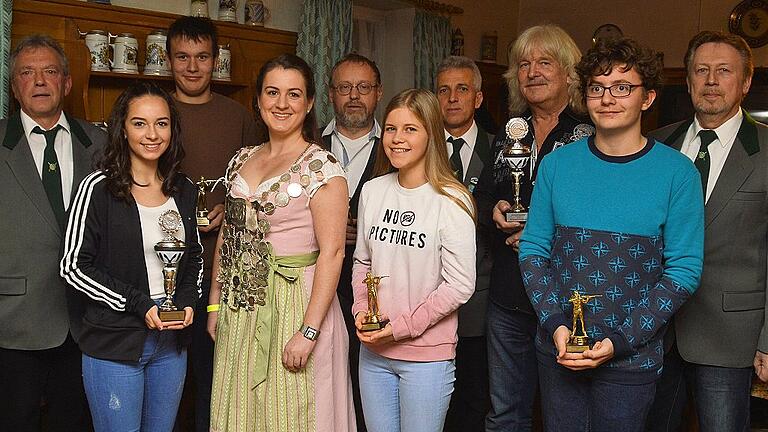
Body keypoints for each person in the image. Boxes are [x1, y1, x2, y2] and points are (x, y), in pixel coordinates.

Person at [518, 37, 704, 432]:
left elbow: (683, 270)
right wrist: (557, 327)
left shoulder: (678, 173)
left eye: (622, 88)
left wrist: (620, 340)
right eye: (597, 88)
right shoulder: (556, 165)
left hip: (631, 359)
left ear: (648, 97)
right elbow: (533, 250)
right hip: (560, 347)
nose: (608, 99)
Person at [208, 53, 355, 432]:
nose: (281, 103)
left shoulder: (321, 167)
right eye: (272, 92)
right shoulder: (242, 159)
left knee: (292, 415)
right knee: (241, 412)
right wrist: (213, 304)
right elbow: (229, 236)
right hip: (243, 304)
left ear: (308, 104)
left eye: (293, 94)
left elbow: (333, 254)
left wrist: (309, 331)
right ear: (257, 101)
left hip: (297, 305)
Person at [60, 81, 203, 431]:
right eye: (140, 123)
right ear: (122, 129)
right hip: (115, 343)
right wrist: (140, 304)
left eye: (162, 123)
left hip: (171, 345)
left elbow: (195, 258)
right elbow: (74, 266)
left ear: (173, 129)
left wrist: (185, 302)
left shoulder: (183, 188)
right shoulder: (98, 188)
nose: (152, 134)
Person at [471, 24, 593, 431]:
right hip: (508, 295)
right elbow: (483, 194)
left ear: (569, 73)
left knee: (565, 415)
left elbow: (600, 216)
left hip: (565, 297)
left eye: (544, 63)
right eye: (524, 65)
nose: (532, 72)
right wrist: (493, 210)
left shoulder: (590, 133)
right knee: (505, 412)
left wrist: (546, 236)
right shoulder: (509, 133)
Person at [646, 31, 768, 432]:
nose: (711, 80)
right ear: (688, 80)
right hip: (654, 328)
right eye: (701, 70)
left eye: (723, 71)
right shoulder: (657, 145)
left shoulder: (766, 149)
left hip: (730, 333)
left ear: (746, 82)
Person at [352, 88, 477, 432]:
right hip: (374, 353)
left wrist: (401, 328)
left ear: (431, 134)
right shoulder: (373, 191)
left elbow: (460, 286)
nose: (397, 139)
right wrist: (362, 310)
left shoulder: (452, 200)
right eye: (391, 128)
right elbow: (363, 262)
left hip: (426, 358)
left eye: (410, 129)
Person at [0, 34, 105, 431]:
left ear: (67, 83)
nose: (39, 81)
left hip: (86, 323)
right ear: (14, 87)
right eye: (27, 72)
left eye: (50, 71)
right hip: (12, 322)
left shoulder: (100, 143)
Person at [166, 16, 260, 431]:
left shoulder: (239, 116)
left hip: (224, 275)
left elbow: (263, 188)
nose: (192, 66)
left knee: (214, 380)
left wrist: (228, 211)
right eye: (182, 57)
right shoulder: (153, 111)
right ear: (168, 60)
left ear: (215, 60)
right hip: (161, 273)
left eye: (201, 57)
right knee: (165, 378)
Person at [321, 52, 384, 431]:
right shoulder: (309, 144)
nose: (354, 96)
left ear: (378, 92)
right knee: (324, 380)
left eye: (363, 87)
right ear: (330, 94)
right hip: (314, 283)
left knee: (367, 381)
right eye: (345, 87)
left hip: (375, 287)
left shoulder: (396, 147)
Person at [434, 55, 493, 432]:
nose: (453, 98)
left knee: (474, 395)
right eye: (444, 90)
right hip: (424, 294)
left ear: (479, 98)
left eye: (462, 89)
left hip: (480, 300)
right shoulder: (416, 147)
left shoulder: (503, 147)